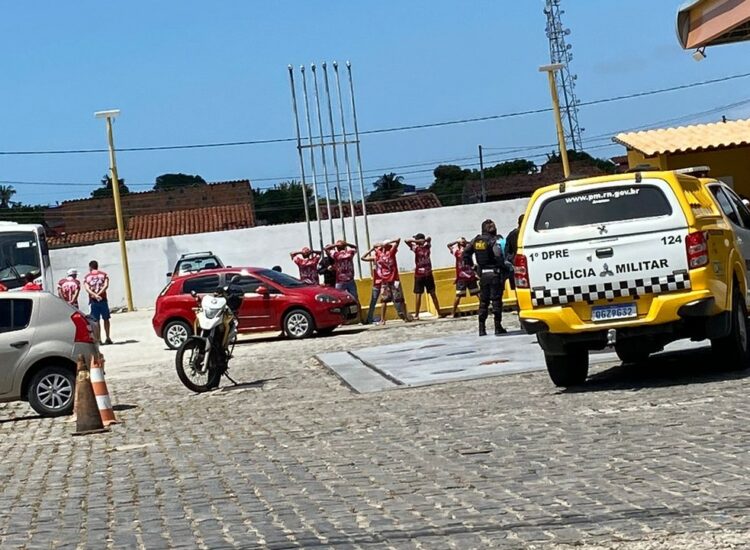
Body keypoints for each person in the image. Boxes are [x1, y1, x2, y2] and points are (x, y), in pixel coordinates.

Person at [463, 219, 509, 336]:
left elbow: (465, 253)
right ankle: (497, 327)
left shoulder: (476, 240)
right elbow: (498, 255)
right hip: (494, 273)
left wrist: (473, 267)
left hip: (483, 274)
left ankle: (481, 328)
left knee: (483, 301)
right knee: (496, 301)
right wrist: (503, 267)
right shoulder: (494, 240)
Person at [361, 242, 405, 324]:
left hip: (386, 281)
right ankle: (371, 318)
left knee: (396, 299)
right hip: (378, 282)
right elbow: (363, 258)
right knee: (378, 301)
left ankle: (403, 315)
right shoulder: (375, 258)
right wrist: (372, 249)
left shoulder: (388, 256)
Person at [406, 233, 442, 320]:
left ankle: (419, 315)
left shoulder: (423, 247)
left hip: (422, 274)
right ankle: (419, 314)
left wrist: (419, 241)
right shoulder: (425, 246)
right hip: (424, 273)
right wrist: (419, 241)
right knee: (422, 294)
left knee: (425, 294)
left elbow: (428, 238)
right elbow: (407, 241)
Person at [376, 239, 410, 325]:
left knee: (385, 300)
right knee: (399, 300)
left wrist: (382, 244)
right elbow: (398, 240)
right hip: (393, 280)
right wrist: (388, 243)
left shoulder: (380, 254)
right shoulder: (391, 253)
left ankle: (383, 320)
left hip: (386, 281)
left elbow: (374, 246)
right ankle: (404, 317)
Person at [447, 237, 479, 317]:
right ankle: (486, 308)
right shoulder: (469, 251)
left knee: (458, 295)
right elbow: (473, 244)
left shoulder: (457, 251)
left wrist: (457, 241)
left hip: (462, 276)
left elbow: (449, 245)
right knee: (477, 293)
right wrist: (466, 242)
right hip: (470, 275)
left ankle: (453, 313)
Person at [84, 260, 113, 345]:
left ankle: (98, 339)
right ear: (97, 266)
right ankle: (108, 337)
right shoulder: (104, 275)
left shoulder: (87, 277)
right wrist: (99, 294)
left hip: (93, 300)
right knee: (106, 319)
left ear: (90, 267)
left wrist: (95, 295)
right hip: (103, 299)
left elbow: (87, 288)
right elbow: (106, 285)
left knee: (96, 321)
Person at [505, 214, 524, 290]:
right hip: (521, 264)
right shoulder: (525, 234)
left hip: (515, 264)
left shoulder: (511, 234)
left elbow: (507, 251)